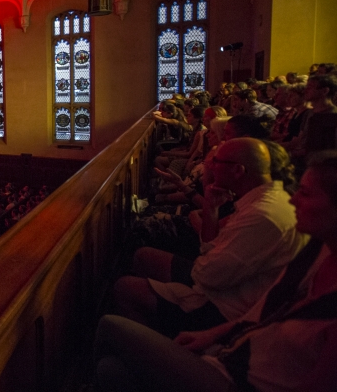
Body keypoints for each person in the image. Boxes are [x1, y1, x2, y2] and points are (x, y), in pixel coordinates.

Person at [94, 150, 337, 392]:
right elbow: (262, 313)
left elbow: (207, 275)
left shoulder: (266, 215)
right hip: (232, 351)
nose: (294, 199)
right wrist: (211, 336)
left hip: (238, 378)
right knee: (110, 370)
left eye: (305, 193)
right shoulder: (317, 251)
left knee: (110, 322)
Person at [114, 138, 308, 337]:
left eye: (216, 161)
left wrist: (207, 257)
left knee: (125, 288)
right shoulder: (263, 197)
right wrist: (211, 209)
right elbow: (210, 250)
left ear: (238, 171)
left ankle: (153, 354)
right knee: (143, 256)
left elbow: (205, 277)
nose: (210, 166)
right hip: (221, 281)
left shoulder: (262, 215)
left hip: (225, 309)